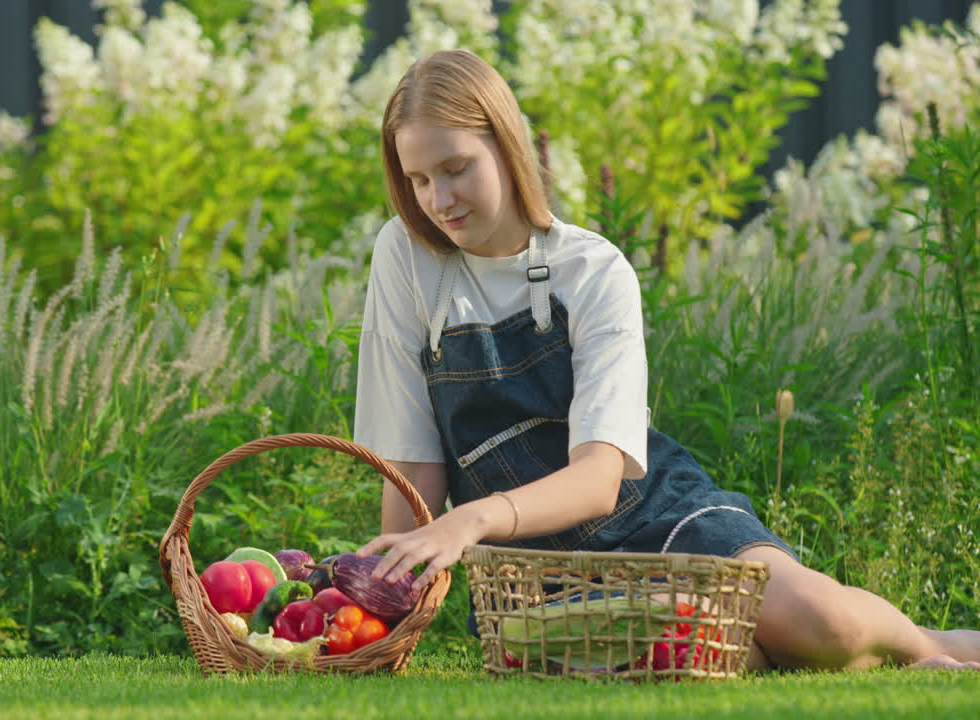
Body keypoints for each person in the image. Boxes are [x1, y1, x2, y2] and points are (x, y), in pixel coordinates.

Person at [351, 48, 980, 672]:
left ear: (508, 146)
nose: (439, 198)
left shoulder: (592, 272)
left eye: (456, 168)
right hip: (534, 577)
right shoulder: (407, 259)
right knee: (689, 650)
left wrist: (471, 520)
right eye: (419, 179)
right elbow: (411, 469)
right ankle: (774, 651)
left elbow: (600, 480)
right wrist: (381, 611)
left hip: (661, 523)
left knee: (826, 623)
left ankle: (929, 647)